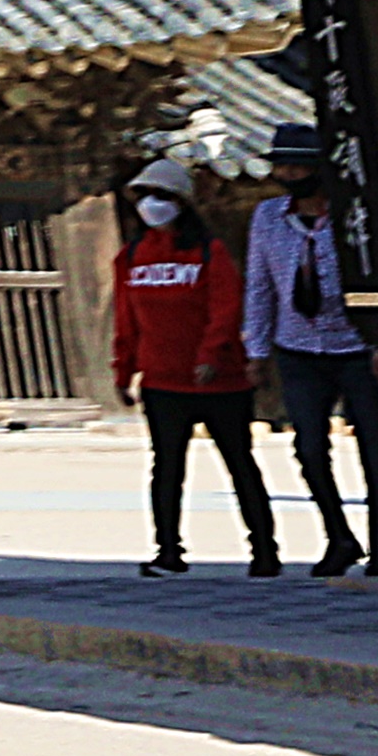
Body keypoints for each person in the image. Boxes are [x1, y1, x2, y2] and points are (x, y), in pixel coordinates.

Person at [243, 126, 378, 577]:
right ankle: (339, 536)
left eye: (298, 165)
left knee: (376, 448)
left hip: (356, 345)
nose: (288, 173)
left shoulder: (355, 215)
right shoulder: (268, 217)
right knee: (309, 447)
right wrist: (256, 349)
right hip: (298, 346)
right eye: (281, 165)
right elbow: (260, 285)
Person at [110, 169, 276, 578]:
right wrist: (123, 370)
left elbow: (225, 308)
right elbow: (126, 320)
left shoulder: (208, 252)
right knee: (167, 468)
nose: (151, 204)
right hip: (162, 381)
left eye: (160, 195)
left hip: (219, 380)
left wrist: (210, 353)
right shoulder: (130, 258)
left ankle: (264, 550)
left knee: (240, 463)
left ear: (181, 202)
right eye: (143, 196)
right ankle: (168, 550)